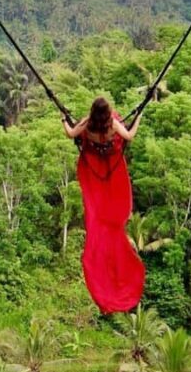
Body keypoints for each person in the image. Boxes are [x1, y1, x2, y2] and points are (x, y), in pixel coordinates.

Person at [62, 97, 145, 314]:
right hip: (112, 167)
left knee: (97, 208)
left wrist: (64, 120)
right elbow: (129, 136)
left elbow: (70, 133)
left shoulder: (87, 124)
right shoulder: (112, 125)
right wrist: (138, 119)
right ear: (107, 112)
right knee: (112, 208)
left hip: (93, 168)